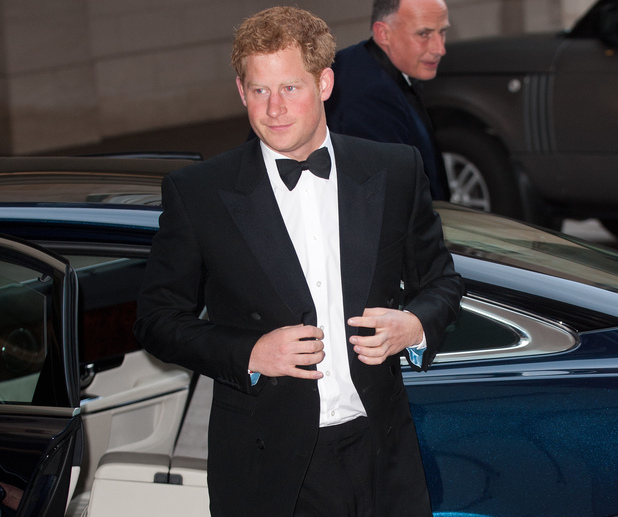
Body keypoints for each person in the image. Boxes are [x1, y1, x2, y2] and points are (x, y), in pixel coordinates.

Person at [134, 6, 463, 516]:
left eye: (290, 88)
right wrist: (251, 352)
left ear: (325, 83)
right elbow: (156, 321)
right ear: (241, 92)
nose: (274, 109)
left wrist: (414, 325)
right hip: (266, 468)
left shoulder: (393, 170)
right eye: (259, 91)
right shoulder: (200, 193)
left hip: (381, 453)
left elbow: (441, 280)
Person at [325, 0, 451, 200]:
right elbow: (386, 203)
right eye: (423, 34)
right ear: (383, 34)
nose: (440, 49)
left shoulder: (359, 60)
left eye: (442, 32)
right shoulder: (370, 96)